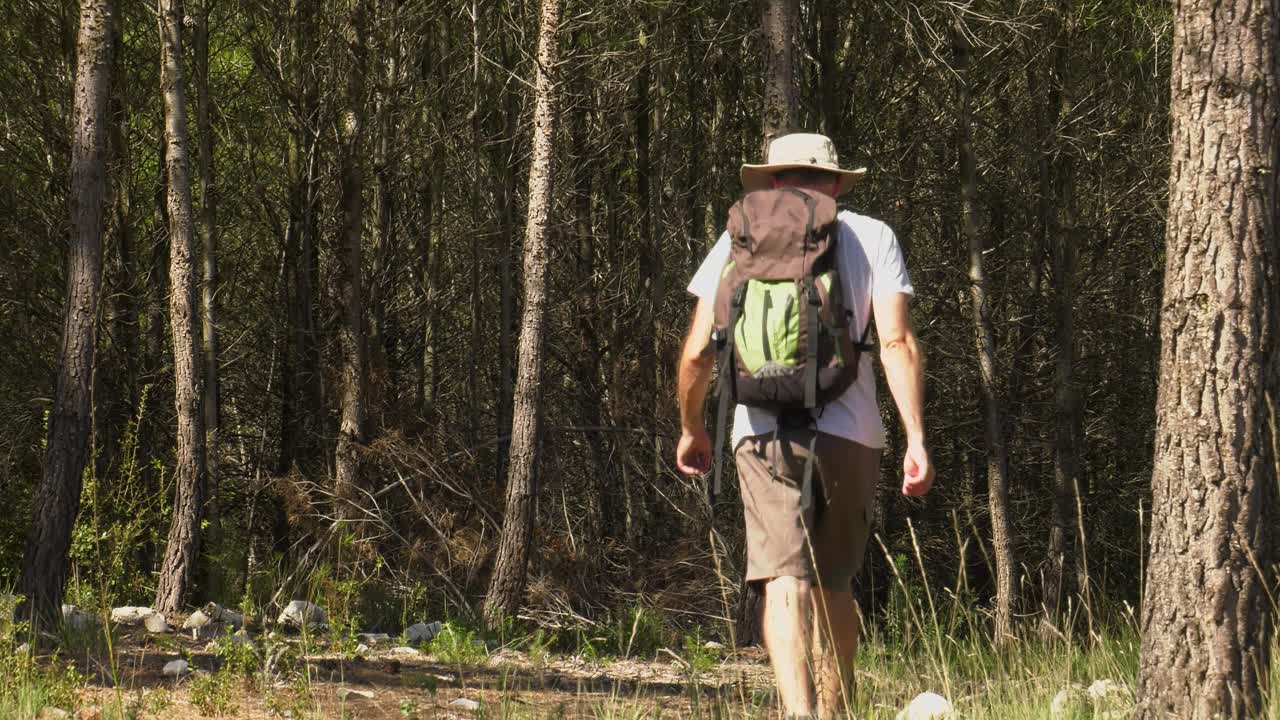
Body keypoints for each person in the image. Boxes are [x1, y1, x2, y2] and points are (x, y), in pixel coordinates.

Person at [675, 132, 934, 718]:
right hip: (854, 431)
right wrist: (915, 437)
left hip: (762, 432)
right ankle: (837, 711)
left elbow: (696, 352)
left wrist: (693, 427)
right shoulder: (874, 236)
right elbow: (895, 340)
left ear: (769, 179)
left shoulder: (737, 237)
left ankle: (799, 713)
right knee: (834, 582)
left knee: (782, 579)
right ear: (839, 182)